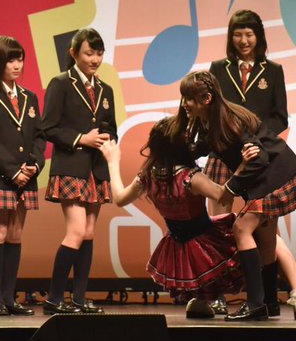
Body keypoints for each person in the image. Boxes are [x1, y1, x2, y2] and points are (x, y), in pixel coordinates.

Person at [207, 9, 296, 320]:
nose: (243, 40)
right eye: (238, 34)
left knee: (264, 231)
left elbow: (280, 117)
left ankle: (267, 300)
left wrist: (256, 139)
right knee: (219, 225)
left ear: (259, 37)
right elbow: (212, 114)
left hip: (261, 156)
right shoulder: (218, 69)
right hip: (225, 156)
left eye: (249, 34)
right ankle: (217, 296)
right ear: (230, 37)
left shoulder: (273, 71)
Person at [176, 70, 296, 321]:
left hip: (274, 176)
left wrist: (230, 188)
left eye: (188, 98)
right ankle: (269, 303)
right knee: (266, 241)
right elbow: (206, 146)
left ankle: (254, 304)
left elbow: (260, 158)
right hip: (265, 178)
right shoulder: (208, 119)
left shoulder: (229, 120)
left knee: (241, 228)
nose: (184, 104)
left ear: (206, 98)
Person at [100, 117, 258, 318]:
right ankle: (274, 296)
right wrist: (242, 166)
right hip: (205, 242)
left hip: (177, 244)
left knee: (201, 288)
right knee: (257, 240)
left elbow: (120, 199)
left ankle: (201, 301)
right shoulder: (190, 177)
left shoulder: (148, 176)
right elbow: (222, 195)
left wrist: (112, 162)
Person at [41, 28, 117, 315]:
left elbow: (112, 128)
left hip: (96, 169)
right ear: (74, 53)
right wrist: (81, 138)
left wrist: (109, 140)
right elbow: (48, 127)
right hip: (71, 167)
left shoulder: (106, 89)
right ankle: (54, 298)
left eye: (99, 54)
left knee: (88, 233)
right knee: (75, 231)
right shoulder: (60, 83)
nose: (95, 59)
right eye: (89, 53)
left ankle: (80, 298)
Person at [0, 36, 46, 316]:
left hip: (26, 176)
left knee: (15, 234)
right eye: (10, 60)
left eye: (20, 59)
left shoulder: (29, 97)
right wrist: (14, 171)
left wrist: (34, 165)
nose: (17, 65)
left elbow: (39, 136)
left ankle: (10, 298)